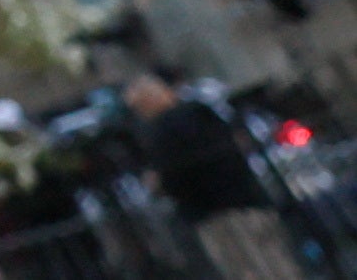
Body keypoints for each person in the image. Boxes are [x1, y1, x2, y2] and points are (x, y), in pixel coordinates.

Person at [124, 71, 296, 280]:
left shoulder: (159, 134)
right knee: (274, 261)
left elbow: (174, 175)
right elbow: (233, 142)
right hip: (247, 198)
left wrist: (159, 184)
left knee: (244, 268)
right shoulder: (199, 111)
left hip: (211, 213)